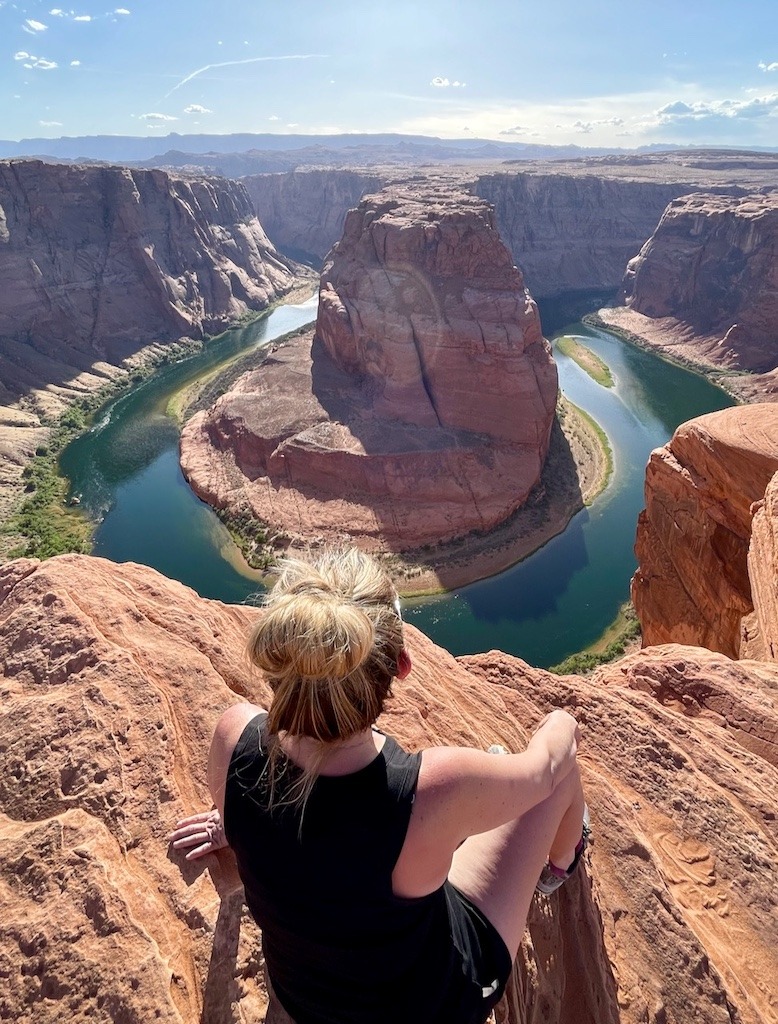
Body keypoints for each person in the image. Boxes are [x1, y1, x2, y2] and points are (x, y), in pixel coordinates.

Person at [170, 548, 587, 1024]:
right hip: (431, 1002)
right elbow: (545, 768)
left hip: (303, 998)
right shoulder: (429, 790)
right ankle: (560, 863)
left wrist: (236, 828)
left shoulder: (233, 737)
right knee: (559, 760)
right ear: (401, 667)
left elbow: (289, 824)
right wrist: (561, 721)